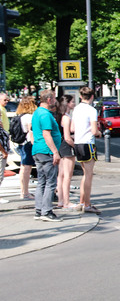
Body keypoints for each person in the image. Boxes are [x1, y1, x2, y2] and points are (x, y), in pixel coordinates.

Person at [31, 90, 62, 222]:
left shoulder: (37, 112)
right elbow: (46, 134)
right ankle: (47, 211)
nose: (55, 101)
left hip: (38, 150)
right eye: (54, 98)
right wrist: (55, 152)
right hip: (46, 151)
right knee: (50, 182)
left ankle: (39, 210)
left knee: (41, 182)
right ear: (49, 100)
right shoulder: (45, 115)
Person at [72, 86, 102, 214]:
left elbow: (72, 128)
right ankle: (87, 204)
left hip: (78, 142)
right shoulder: (91, 110)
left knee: (85, 174)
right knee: (89, 175)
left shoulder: (76, 109)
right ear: (92, 97)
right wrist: (99, 133)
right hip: (88, 143)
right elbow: (94, 131)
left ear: (80, 96)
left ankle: (81, 201)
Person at [55, 95, 78, 210]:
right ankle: (66, 201)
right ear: (67, 103)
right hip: (66, 147)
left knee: (61, 175)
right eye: (72, 101)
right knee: (67, 176)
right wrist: (76, 147)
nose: (74, 103)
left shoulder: (58, 116)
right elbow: (68, 137)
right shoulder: (66, 117)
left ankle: (60, 200)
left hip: (59, 146)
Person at [15, 97, 38, 200]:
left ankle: (23, 191)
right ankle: (25, 192)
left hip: (21, 143)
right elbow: (31, 131)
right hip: (28, 144)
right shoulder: (29, 117)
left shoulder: (20, 116)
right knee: (27, 168)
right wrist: (35, 144)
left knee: (23, 167)